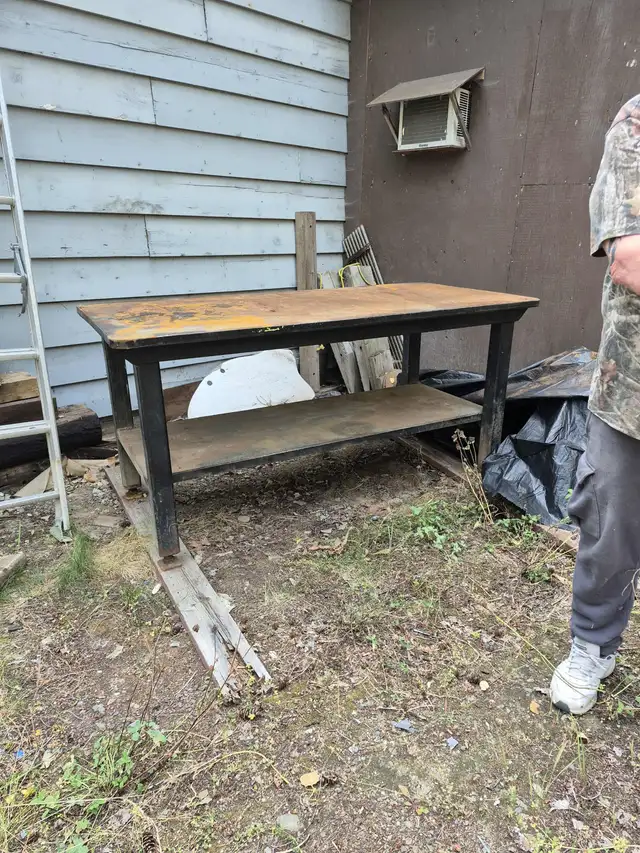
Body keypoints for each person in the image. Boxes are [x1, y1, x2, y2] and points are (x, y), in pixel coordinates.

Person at [550, 94, 640, 715]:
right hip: (631, 384)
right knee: (609, 516)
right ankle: (593, 643)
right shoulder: (637, 122)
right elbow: (631, 259)